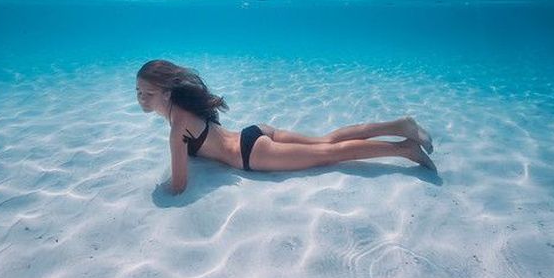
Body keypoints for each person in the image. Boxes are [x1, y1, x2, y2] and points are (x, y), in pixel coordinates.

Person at [136, 59, 436, 195]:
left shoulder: (177, 128)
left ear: (166, 92)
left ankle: (404, 148)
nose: (140, 99)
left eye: (146, 94)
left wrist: (157, 191)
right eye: (137, 93)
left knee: (332, 154)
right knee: (327, 140)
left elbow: (178, 187)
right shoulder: (186, 109)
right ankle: (401, 124)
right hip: (255, 132)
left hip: (251, 153)